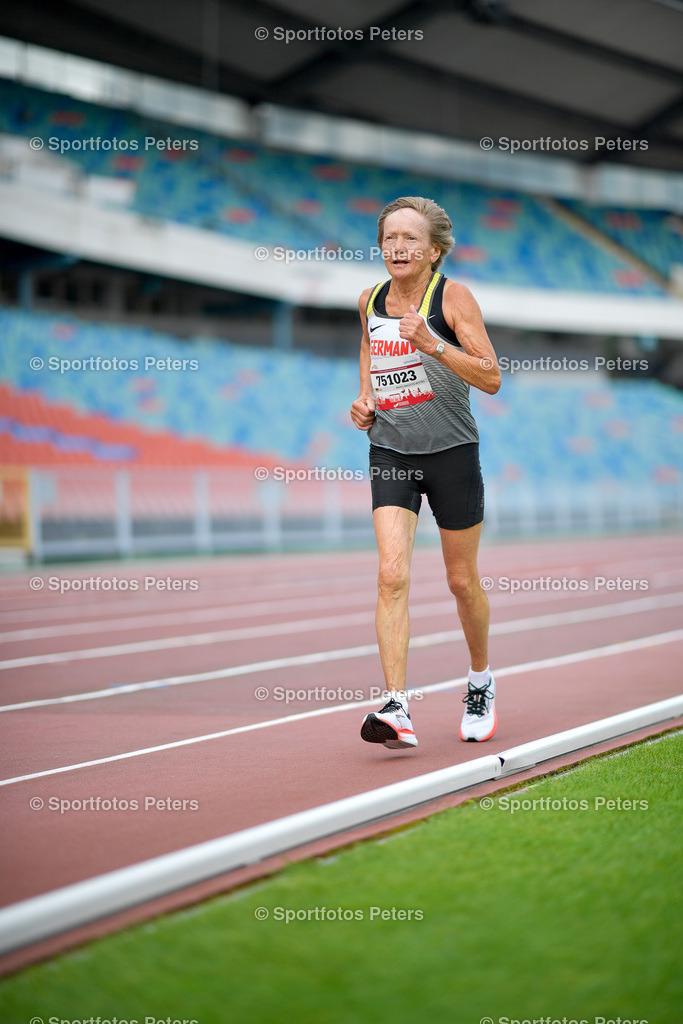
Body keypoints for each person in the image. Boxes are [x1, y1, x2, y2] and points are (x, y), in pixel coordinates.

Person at [350, 196, 501, 749]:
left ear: (434, 250)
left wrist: (433, 343)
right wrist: (364, 401)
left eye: (411, 238)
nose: (398, 247)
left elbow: (490, 378)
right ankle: (396, 705)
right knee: (392, 575)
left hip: (452, 453)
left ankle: (480, 680)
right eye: (390, 237)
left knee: (461, 582)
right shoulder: (369, 299)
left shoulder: (453, 297)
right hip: (390, 451)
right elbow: (369, 349)